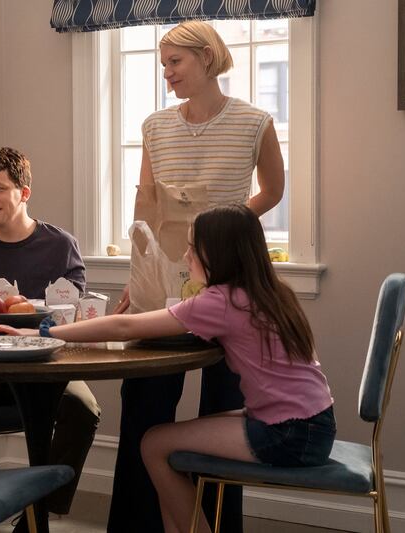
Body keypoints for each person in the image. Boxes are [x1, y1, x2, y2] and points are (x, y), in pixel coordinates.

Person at [0, 204, 335, 533]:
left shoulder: (222, 301)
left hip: (288, 433)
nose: (186, 256)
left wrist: (45, 333)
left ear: (218, 253)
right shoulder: (273, 291)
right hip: (312, 424)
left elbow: (124, 327)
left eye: (193, 248)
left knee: (154, 443)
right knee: (170, 445)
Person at [107, 20, 287, 533]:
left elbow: (273, 191)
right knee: (144, 405)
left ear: (207, 57)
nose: (166, 73)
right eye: (163, 64)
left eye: (175, 62)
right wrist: (139, 278)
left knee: (223, 411)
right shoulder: (154, 126)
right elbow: (147, 209)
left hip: (232, 281)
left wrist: (222, 231)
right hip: (165, 281)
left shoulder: (255, 122)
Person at [0, 147, 101, 519]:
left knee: (84, 409)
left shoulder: (61, 245)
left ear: (24, 192)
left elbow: (71, 319)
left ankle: (40, 511)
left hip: (48, 366)